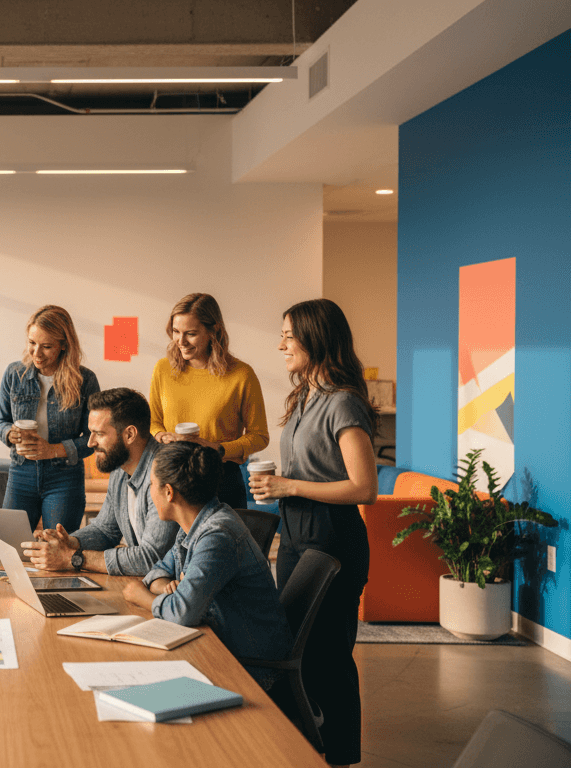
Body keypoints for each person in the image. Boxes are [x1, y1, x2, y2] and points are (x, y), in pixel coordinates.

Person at [247, 298, 376, 768]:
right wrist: (281, 484)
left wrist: (289, 484)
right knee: (296, 646)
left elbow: (365, 487)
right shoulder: (304, 395)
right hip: (297, 530)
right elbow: (318, 467)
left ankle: (341, 757)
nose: (281, 344)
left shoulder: (343, 401)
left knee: (328, 656)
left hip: (333, 536)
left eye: (288, 334)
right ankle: (305, 748)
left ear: (315, 338)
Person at [120, 441, 292, 689]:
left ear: (169, 492)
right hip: (219, 645)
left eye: (151, 486)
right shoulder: (196, 521)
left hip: (251, 668)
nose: (150, 493)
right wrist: (164, 586)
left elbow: (182, 613)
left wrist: (141, 596)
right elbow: (159, 570)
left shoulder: (217, 536)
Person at [21, 387, 177, 576]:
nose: (90, 443)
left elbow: (151, 558)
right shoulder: (121, 467)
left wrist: (72, 558)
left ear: (129, 434)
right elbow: (105, 530)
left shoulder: (166, 473)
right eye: (90, 433)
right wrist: (69, 542)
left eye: (99, 434)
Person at [149, 292, 269, 509]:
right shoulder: (163, 369)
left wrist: (217, 448)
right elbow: (153, 421)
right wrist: (161, 435)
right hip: (173, 476)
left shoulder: (241, 374)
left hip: (221, 480)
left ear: (214, 331)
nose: (181, 341)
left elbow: (259, 437)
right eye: (176, 332)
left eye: (191, 334)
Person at [0, 305, 101, 532]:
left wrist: (52, 450)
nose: (36, 353)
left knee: (59, 548)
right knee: (8, 543)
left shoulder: (85, 379)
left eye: (46, 346)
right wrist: (9, 433)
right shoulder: (14, 374)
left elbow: (93, 438)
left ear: (64, 345)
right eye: (32, 343)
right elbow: (0, 421)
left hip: (64, 477)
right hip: (21, 472)